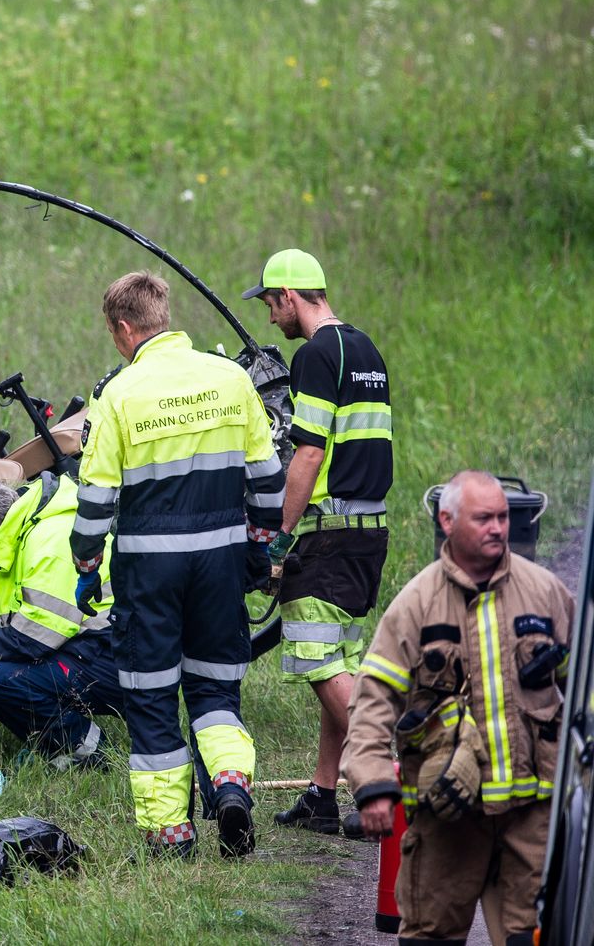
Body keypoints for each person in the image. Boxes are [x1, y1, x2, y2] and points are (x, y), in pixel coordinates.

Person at [72, 272, 286, 858]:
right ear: (163, 314)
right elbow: (267, 480)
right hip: (219, 564)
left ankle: (172, 836)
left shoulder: (118, 395)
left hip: (148, 574)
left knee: (150, 694)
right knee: (215, 688)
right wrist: (258, 544)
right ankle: (232, 788)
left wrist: (86, 562)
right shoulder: (230, 378)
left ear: (123, 328)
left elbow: (95, 502)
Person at [344, 472, 569, 946]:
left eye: (504, 517)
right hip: (448, 817)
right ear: (446, 521)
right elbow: (372, 701)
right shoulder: (415, 605)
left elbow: (584, 683)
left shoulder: (545, 593)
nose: (498, 529)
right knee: (430, 933)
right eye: (484, 518)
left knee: (534, 934)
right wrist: (373, 786)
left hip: (530, 818)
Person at [240, 249, 394, 836]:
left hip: (327, 535)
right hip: (368, 532)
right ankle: (322, 796)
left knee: (321, 664)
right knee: (342, 661)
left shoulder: (315, 354)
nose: (269, 315)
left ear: (288, 295)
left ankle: (391, 784)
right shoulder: (365, 349)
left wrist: (278, 537)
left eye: (270, 302)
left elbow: (307, 451)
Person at [0, 472, 123, 768]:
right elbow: (25, 626)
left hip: (124, 656)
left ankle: (92, 758)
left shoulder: (48, 544)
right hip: (99, 643)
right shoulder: (30, 528)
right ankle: (61, 751)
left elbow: (33, 639)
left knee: (2, 679)